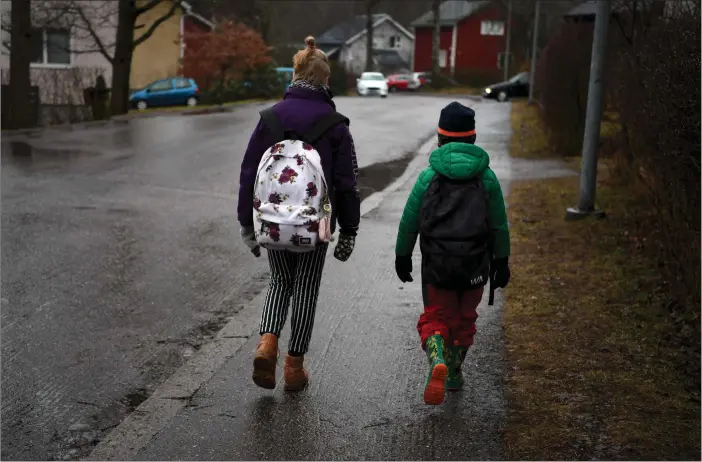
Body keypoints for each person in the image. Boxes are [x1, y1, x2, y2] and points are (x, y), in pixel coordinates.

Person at [237, 36, 361, 392]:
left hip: (273, 220)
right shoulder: (336, 123)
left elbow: (249, 173)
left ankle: (267, 344)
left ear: (294, 76)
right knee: (306, 287)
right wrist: (349, 230)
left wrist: (247, 222)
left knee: (279, 282)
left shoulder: (270, 118)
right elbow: (347, 182)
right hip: (316, 222)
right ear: (325, 80)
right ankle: (294, 368)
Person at [394, 102, 511, 405]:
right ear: (473, 139)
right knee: (465, 320)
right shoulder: (487, 179)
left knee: (436, 317)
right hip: (476, 264)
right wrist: (501, 261)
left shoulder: (428, 177)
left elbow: (410, 221)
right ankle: (455, 373)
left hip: (438, 265)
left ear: (440, 138)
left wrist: (402, 255)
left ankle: (437, 360)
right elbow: (498, 225)